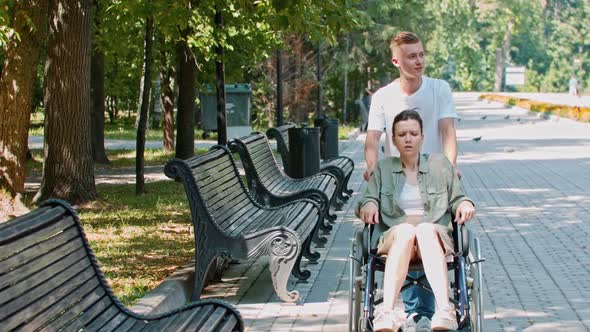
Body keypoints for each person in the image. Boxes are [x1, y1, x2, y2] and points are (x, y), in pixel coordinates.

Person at [363, 31, 460, 330]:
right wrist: (373, 174)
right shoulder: (384, 96)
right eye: (411, 56)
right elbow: (372, 140)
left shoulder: (438, 88)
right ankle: (411, 312)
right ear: (397, 60)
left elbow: (447, 132)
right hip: (397, 178)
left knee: (428, 228)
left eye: (421, 54)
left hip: (432, 178)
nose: (419, 61)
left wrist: (447, 169)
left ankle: (427, 312)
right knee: (405, 229)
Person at [358, 110, 475, 332]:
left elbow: (458, 197)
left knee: (424, 230)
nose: (408, 138)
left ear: (422, 136)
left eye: (413, 133)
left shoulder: (440, 165)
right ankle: (387, 313)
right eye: (402, 134)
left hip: (433, 237)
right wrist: (369, 204)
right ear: (393, 139)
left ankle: (444, 311)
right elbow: (368, 198)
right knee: (405, 231)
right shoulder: (383, 168)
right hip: (395, 240)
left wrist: (464, 204)